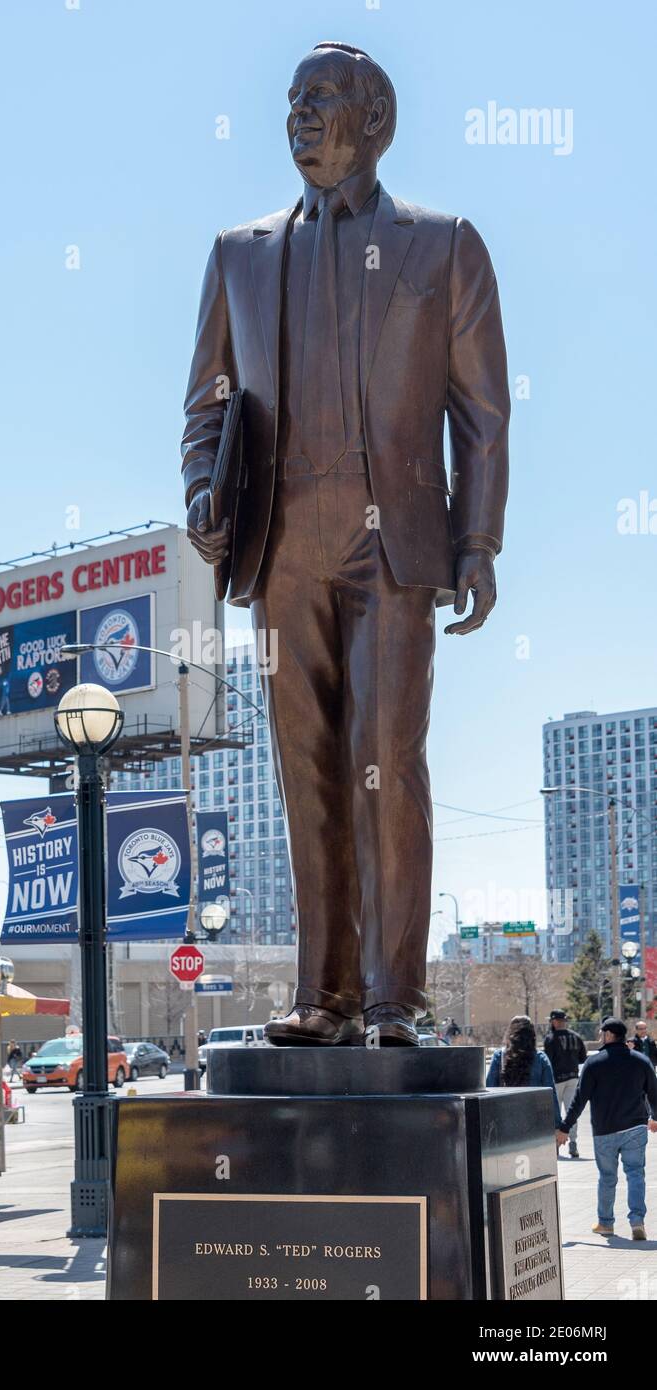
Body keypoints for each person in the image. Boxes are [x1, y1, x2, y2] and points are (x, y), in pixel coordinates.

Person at [183, 41, 509, 1048]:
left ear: (376, 120)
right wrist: (202, 487)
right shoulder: (240, 253)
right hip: (283, 545)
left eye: (319, 98)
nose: (298, 113)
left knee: (384, 757)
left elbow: (483, 415)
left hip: (395, 547)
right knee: (306, 768)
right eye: (290, 99)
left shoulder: (443, 245)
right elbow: (209, 399)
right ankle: (321, 995)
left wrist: (478, 539)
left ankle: (390, 996)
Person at [557, 1018, 657, 1240]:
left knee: (607, 1177)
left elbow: (579, 1100)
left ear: (610, 1035)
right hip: (635, 1127)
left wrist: (565, 1127)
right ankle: (637, 1220)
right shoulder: (641, 1061)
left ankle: (605, 1223)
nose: (601, 1035)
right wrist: (655, 1117)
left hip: (605, 1130)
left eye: (603, 1032)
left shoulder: (595, 1064)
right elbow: (654, 1092)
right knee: (635, 1173)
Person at [486, 1015, 561, 1126]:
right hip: (534, 1121)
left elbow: (489, 1089)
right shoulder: (541, 1058)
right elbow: (550, 1094)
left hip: (504, 1120)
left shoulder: (499, 1056)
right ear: (532, 1035)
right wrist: (557, 1124)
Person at [543, 1008, 588, 1158]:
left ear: (554, 1022)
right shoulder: (576, 1037)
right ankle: (573, 1143)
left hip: (556, 1079)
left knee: (555, 1112)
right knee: (571, 1112)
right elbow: (583, 1057)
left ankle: (555, 1144)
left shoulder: (550, 1039)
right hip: (573, 1077)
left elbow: (547, 1061)